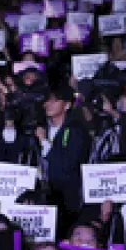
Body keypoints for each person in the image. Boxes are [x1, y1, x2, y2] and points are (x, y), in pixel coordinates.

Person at [39, 83, 91, 213]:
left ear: (67, 105)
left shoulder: (76, 130)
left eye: (54, 101)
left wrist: (44, 141)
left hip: (65, 198)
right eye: (47, 101)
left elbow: (68, 164)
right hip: (41, 193)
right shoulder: (40, 127)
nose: (48, 104)